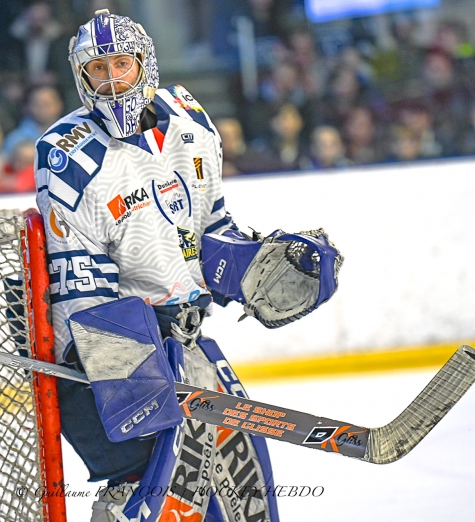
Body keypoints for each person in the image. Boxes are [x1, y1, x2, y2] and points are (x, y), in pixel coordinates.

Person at [35, 10, 343, 522]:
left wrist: (247, 265)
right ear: (80, 76)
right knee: (146, 498)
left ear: (146, 65)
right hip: (105, 360)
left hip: (186, 347)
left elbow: (209, 227)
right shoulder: (68, 157)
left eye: (122, 65)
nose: (111, 81)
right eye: (97, 69)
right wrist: (132, 375)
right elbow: (79, 288)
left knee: (247, 498)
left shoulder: (190, 122)